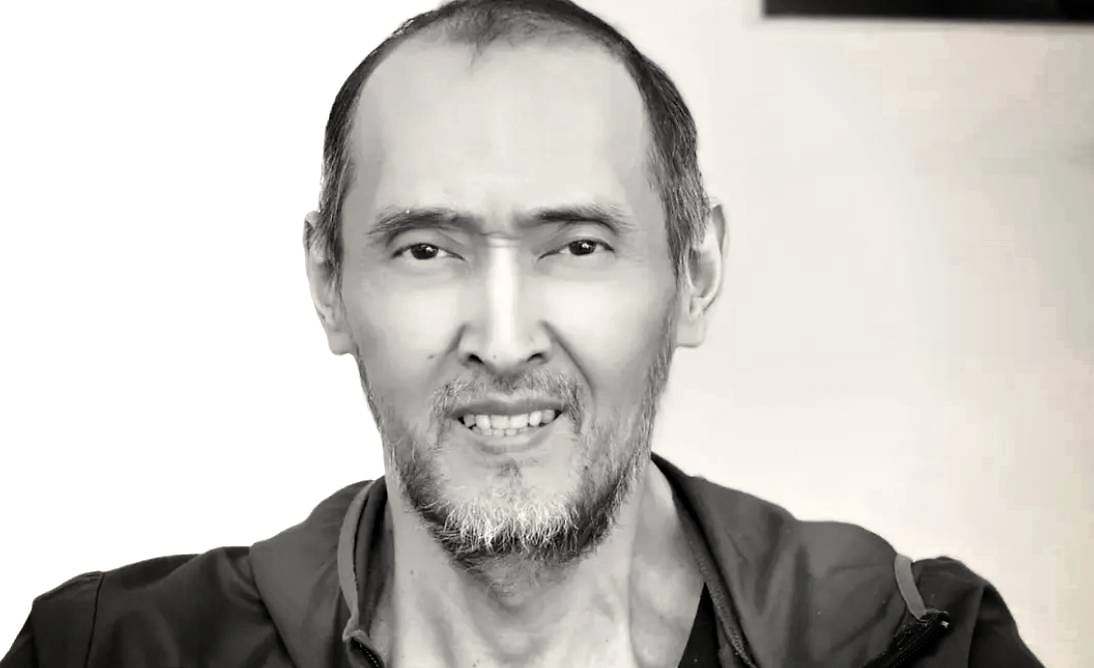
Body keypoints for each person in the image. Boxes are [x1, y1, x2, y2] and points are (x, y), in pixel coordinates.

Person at [1, 1, 1043, 666]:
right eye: (426, 249)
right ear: (327, 283)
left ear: (694, 273)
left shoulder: (909, 642)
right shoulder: (111, 650)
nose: (502, 343)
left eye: (577, 245)